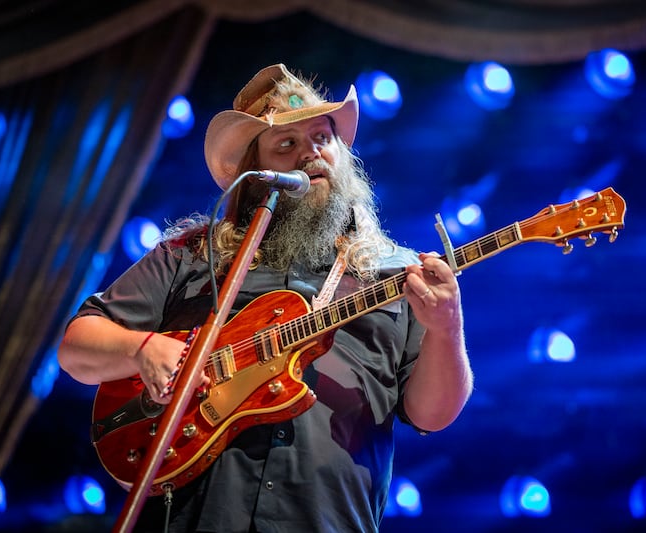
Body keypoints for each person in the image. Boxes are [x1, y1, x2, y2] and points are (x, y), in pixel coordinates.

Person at [58, 63, 473, 532]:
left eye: (322, 137)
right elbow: (76, 348)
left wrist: (446, 325)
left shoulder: (397, 272)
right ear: (256, 176)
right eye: (287, 144)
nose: (310, 153)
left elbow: (433, 415)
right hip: (193, 516)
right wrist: (142, 349)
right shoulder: (194, 255)